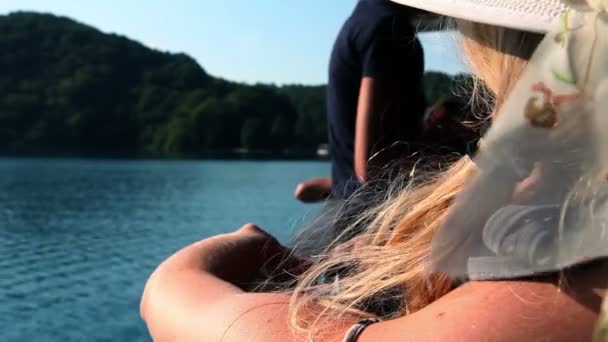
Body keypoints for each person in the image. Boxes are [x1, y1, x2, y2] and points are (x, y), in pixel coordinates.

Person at [140, 0, 608, 341]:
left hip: (362, 207)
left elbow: (171, 296)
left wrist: (200, 268)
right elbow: (374, 162)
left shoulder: (364, 23)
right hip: (369, 205)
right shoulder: (387, 32)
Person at [294, 0, 427, 203]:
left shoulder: (365, 19)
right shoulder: (389, 29)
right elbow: (371, 167)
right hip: (374, 214)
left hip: (350, 203)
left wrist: (338, 182)